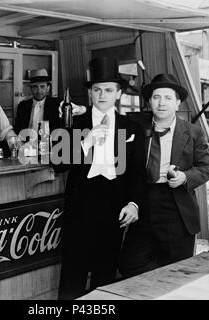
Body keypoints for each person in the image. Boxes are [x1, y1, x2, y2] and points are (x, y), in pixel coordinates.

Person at [56, 57, 147, 300]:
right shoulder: (74, 124)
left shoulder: (132, 128)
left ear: (118, 94)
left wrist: (134, 203)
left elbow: (138, 173)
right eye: (97, 90)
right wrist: (86, 142)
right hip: (79, 209)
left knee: (104, 277)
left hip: (114, 210)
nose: (103, 94)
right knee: (72, 277)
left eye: (108, 90)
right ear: (90, 94)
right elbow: (58, 164)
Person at [119, 73, 209, 277]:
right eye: (156, 97)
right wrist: (133, 202)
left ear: (178, 102)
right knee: (129, 264)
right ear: (150, 101)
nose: (161, 103)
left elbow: (207, 167)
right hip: (144, 202)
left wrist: (185, 177)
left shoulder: (193, 132)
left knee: (177, 272)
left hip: (176, 206)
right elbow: (132, 171)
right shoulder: (138, 128)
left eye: (168, 97)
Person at [14, 68, 62, 137]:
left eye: (42, 86)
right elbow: (18, 129)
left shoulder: (57, 104)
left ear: (48, 88)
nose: (39, 91)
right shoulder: (23, 106)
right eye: (35, 87)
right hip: (26, 145)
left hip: (48, 144)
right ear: (30, 88)